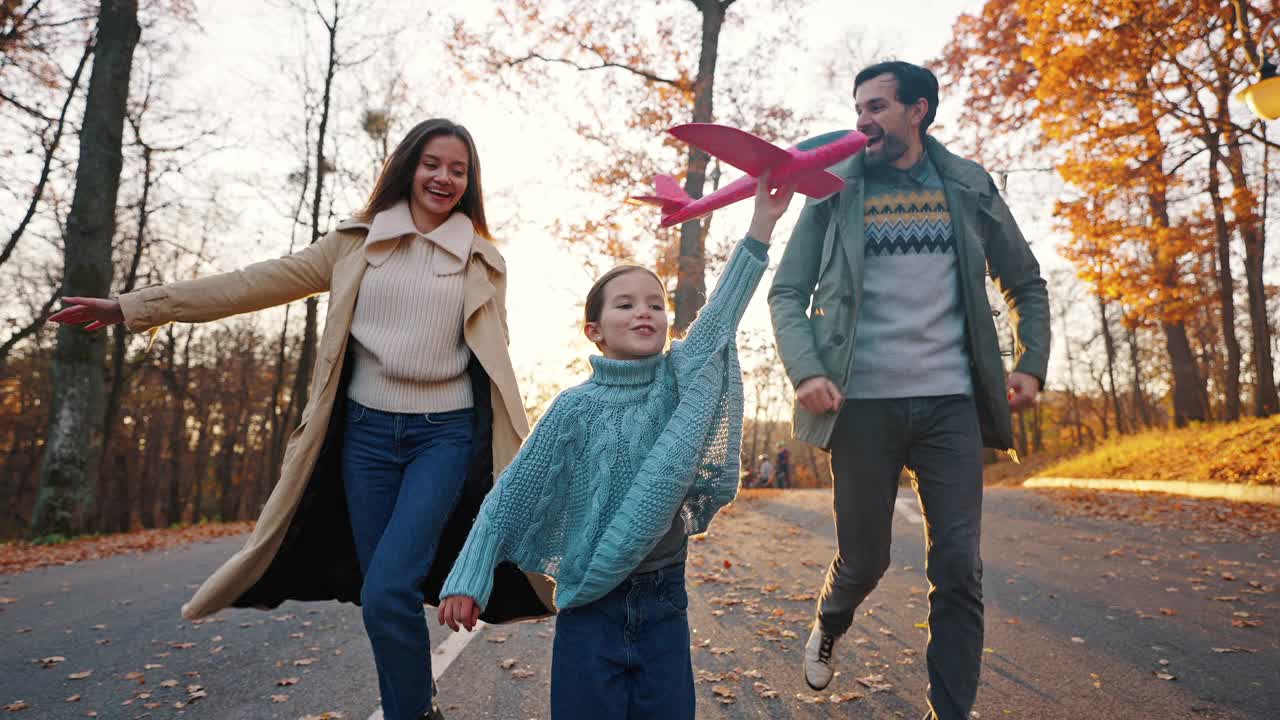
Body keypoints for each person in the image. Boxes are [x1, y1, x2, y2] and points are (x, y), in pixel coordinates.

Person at [49, 118, 553, 720]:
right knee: (378, 596)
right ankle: (420, 706)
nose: (443, 177)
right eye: (432, 163)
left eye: (458, 169)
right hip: (364, 438)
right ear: (408, 168)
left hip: (442, 439)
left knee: (392, 585)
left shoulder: (482, 262)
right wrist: (133, 307)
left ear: (470, 183)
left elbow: (495, 364)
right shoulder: (354, 246)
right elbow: (250, 284)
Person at [435, 176, 797, 720]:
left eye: (655, 303)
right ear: (594, 329)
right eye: (625, 305)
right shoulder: (573, 408)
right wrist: (469, 575)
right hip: (590, 605)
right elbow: (510, 496)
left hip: (664, 599)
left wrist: (761, 226)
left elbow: (720, 318)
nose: (644, 312)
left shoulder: (679, 382)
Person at [768, 61, 1050, 720]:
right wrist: (807, 368)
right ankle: (831, 623)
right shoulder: (834, 187)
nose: (861, 120)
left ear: (918, 110)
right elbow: (789, 289)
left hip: (950, 402)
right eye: (858, 106)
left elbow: (1025, 280)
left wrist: (1031, 363)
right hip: (859, 406)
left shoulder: (968, 185)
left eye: (876, 107)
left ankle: (949, 711)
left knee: (959, 567)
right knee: (864, 560)